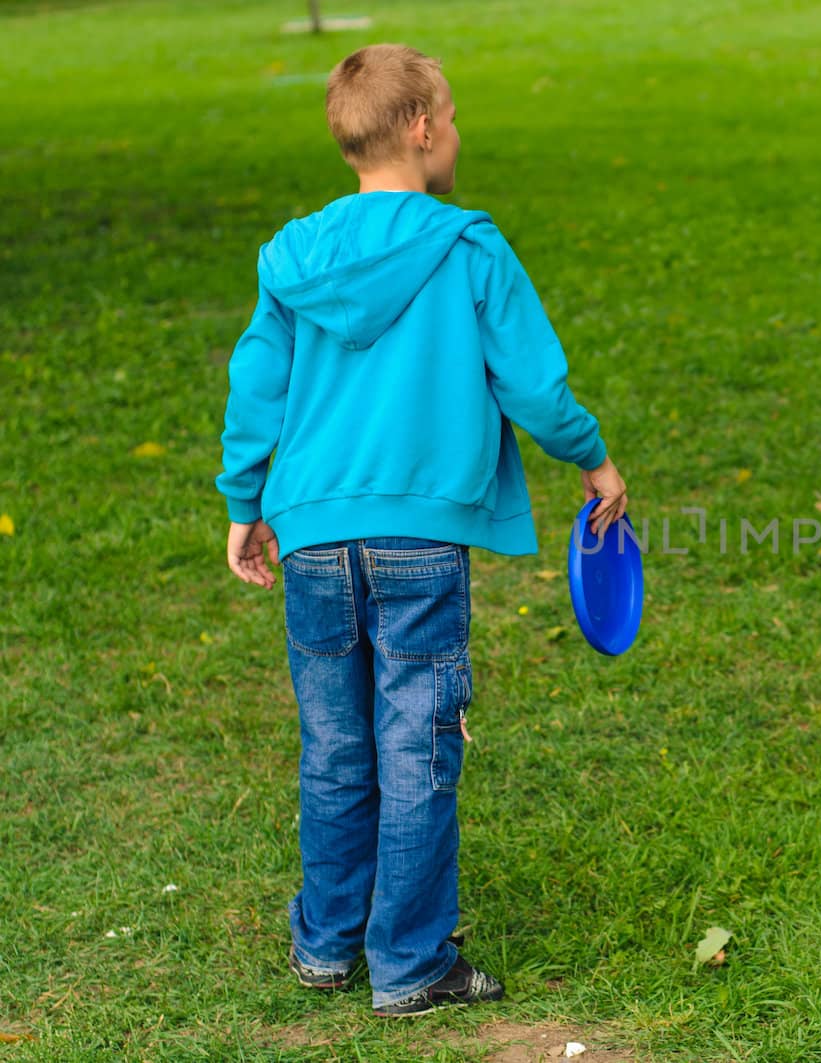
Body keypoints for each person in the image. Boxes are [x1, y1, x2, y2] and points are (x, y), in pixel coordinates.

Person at [214, 42, 627, 1018]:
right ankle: (407, 961)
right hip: (416, 543)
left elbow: (256, 388)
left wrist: (244, 503)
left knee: (335, 745)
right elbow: (530, 381)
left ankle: (324, 944)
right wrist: (594, 459)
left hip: (313, 535)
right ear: (423, 128)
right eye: (453, 117)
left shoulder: (293, 256)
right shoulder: (467, 244)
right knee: (417, 744)